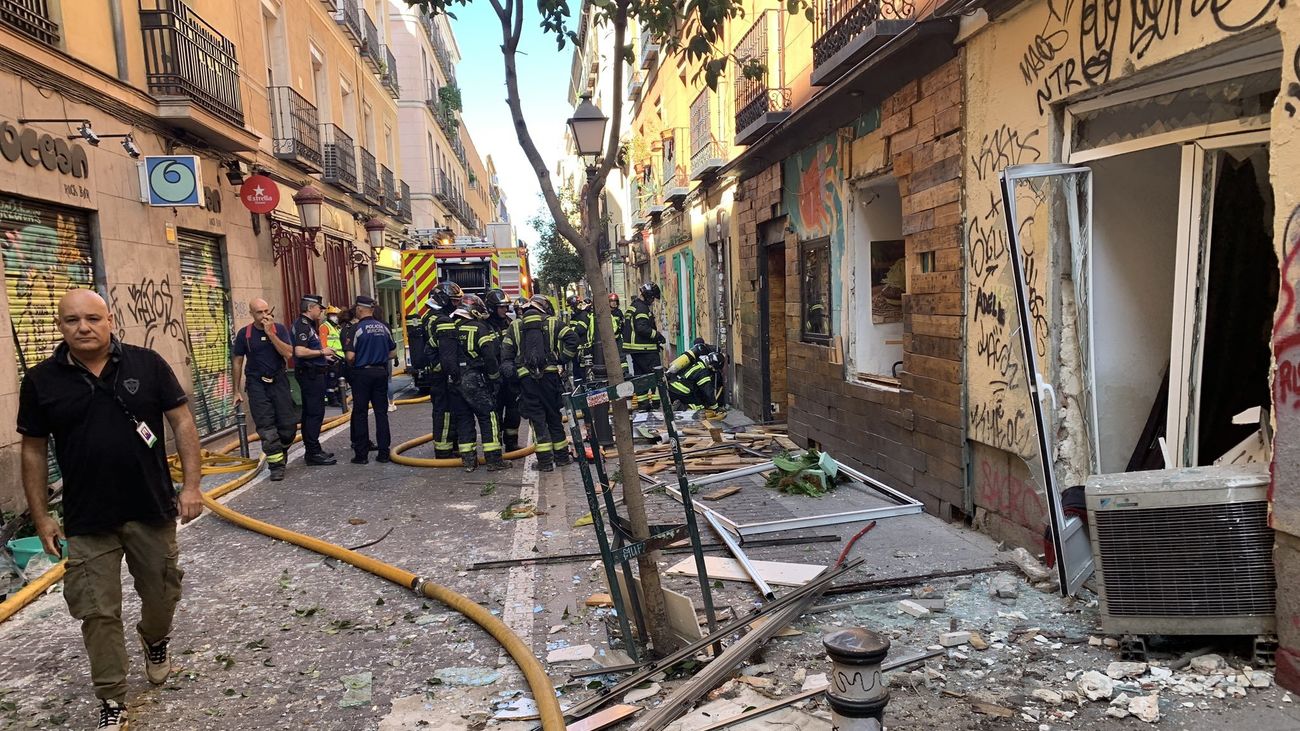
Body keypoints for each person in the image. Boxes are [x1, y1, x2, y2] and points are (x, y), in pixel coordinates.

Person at [17, 289, 204, 731]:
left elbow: (182, 422)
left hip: (150, 507)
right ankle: (113, 699)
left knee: (162, 595)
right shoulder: (42, 381)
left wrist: (192, 486)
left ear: (110, 320)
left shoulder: (147, 364)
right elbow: (33, 450)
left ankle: (154, 639)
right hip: (86, 519)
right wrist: (42, 515)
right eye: (71, 321)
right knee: (97, 612)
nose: (83, 327)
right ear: (60, 327)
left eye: (92, 318)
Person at [501, 295, 577, 472]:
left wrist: (514, 375)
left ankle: (544, 462)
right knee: (554, 416)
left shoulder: (515, 326)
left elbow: (505, 354)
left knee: (537, 420)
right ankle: (562, 457)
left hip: (527, 381)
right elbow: (572, 339)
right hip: (550, 379)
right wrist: (561, 358)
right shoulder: (553, 322)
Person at [232, 298, 297, 481]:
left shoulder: (280, 329)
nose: (264, 315)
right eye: (259, 312)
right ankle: (276, 466)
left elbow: (288, 353)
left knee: (288, 426)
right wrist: (236, 390)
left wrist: (271, 334)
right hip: (256, 384)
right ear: (252, 314)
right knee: (266, 426)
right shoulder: (245, 334)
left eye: (266, 311)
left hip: (279, 381)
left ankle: (279, 451)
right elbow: (237, 361)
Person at [443, 293, 509, 472]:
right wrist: (495, 377)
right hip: (474, 378)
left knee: (464, 419)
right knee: (489, 416)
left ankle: (469, 461)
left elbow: (433, 350)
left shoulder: (448, 327)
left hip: (454, 380)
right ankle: (494, 459)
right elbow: (490, 355)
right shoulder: (479, 328)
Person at [345, 295, 397, 464]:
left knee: (360, 413)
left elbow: (350, 356)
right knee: (381, 413)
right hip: (380, 372)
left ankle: (361, 455)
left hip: (362, 374)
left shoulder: (356, 329)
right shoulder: (383, 328)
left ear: (360, 309)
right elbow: (393, 352)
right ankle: (383, 453)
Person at [291, 294, 337, 466]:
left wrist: (325, 358)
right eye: (319, 308)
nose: (321, 311)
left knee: (314, 412)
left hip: (315, 372)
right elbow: (300, 352)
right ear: (310, 308)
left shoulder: (308, 325)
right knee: (313, 413)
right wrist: (321, 353)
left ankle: (314, 448)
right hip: (309, 375)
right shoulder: (302, 326)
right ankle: (312, 452)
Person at [423, 282, 463, 458]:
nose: (456, 305)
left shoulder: (428, 317)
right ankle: (444, 450)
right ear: (443, 299)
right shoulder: (443, 320)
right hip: (442, 375)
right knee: (446, 411)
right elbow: (447, 354)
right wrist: (454, 375)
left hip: (434, 372)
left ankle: (446, 446)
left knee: (440, 409)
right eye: (454, 301)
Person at [484, 289, 522, 452]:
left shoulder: (509, 323)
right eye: (501, 307)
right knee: (496, 413)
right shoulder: (484, 326)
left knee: (514, 411)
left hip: (510, 376)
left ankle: (511, 443)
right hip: (494, 378)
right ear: (492, 307)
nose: (505, 310)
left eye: (506, 307)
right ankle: (496, 443)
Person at [626, 282, 665, 410]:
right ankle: (656, 403)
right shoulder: (642, 308)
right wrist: (658, 336)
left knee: (640, 377)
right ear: (648, 296)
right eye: (652, 298)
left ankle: (643, 403)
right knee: (656, 375)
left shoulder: (634, 305)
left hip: (636, 350)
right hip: (645, 349)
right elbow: (642, 328)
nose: (653, 301)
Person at [320, 306, 344, 407]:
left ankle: (339, 397)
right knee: (331, 380)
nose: (336, 317)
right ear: (329, 316)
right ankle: (332, 399)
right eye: (333, 315)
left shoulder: (336, 327)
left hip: (339, 356)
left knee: (339, 380)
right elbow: (323, 342)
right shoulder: (324, 327)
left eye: (336, 315)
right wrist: (326, 355)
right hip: (331, 357)